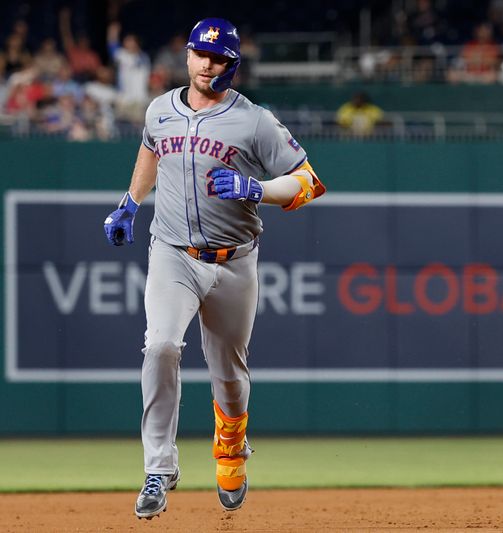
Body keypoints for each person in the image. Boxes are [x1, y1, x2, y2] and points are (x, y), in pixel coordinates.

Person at [102, 17, 326, 519]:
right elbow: (150, 149)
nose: (208, 65)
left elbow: (309, 181)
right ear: (187, 55)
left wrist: (259, 190)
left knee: (229, 377)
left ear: (233, 65)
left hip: (235, 260)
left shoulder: (254, 121)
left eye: (220, 57)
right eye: (202, 54)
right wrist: (130, 203)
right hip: (173, 253)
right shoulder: (161, 109)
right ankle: (158, 467)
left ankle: (230, 450)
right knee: (160, 344)